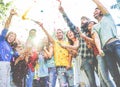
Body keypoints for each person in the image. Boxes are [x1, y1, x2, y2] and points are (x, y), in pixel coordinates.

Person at [58, 1, 97, 87]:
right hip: (85, 59)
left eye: (84, 19)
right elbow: (70, 24)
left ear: (89, 21)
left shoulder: (93, 29)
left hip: (95, 57)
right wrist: (63, 13)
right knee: (91, 80)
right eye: (81, 20)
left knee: (101, 77)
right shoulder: (79, 32)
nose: (82, 21)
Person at [35, 21, 74, 87]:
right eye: (57, 33)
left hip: (68, 67)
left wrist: (69, 64)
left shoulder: (67, 43)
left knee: (71, 85)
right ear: (56, 35)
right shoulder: (55, 43)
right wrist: (42, 27)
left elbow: (71, 53)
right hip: (59, 68)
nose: (59, 34)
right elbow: (48, 36)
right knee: (63, 85)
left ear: (63, 34)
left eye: (60, 32)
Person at [92, 0, 120, 86]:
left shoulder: (108, 16)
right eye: (94, 11)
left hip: (116, 44)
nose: (95, 11)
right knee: (114, 73)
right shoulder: (94, 27)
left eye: (97, 10)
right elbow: (96, 38)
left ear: (101, 11)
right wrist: (99, 49)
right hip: (106, 50)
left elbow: (100, 5)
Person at [79, 21, 114, 87]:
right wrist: (86, 39)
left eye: (92, 23)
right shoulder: (89, 34)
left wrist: (85, 37)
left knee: (105, 78)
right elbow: (90, 46)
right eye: (89, 24)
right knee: (102, 79)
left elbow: (95, 41)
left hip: (101, 54)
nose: (90, 24)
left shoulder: (96, 32)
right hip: (97, 56)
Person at [0, 9, 17, 87]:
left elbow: (16, 54)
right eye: (10, 35)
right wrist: (11, 16)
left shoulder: (10, 48)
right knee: (3, 84)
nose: (11, 37)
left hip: (8, 65)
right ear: (7, 35)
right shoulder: (2, 40)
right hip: (2, 64)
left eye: (13, 37)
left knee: (7, 84)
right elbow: (6, 27)